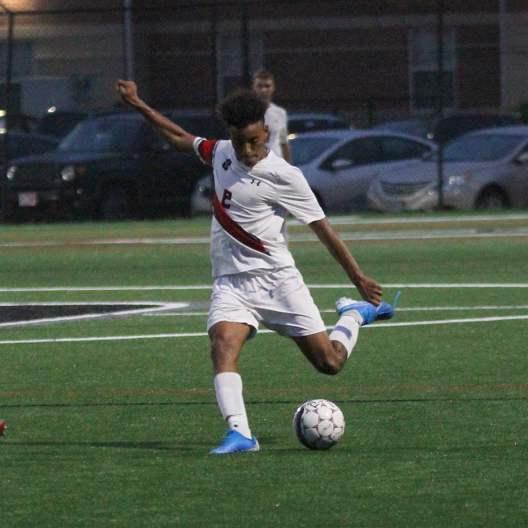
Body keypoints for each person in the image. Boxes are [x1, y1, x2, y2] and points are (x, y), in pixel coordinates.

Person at [116, 80, 397, 455]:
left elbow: (323, 230)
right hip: (231, 284)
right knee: (222, 345)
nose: (247, 150)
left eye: (254, 140)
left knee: (329, 363)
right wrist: (137, 103)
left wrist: (358, 278)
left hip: (278, 282)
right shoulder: (220, 153)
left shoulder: (285, 176)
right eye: (239, 141)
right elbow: (178, 137)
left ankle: (353, 317)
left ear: (266, 131)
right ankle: (241, 435)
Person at [252, 69, 291, 162]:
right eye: (260, 86)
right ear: (254, 88)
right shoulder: (246, 112)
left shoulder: (280, 113)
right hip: (255, 166)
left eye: (267, 86)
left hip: (276, 165)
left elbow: (284, 143)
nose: (263, 90)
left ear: (273, 88)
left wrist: (289, 168)